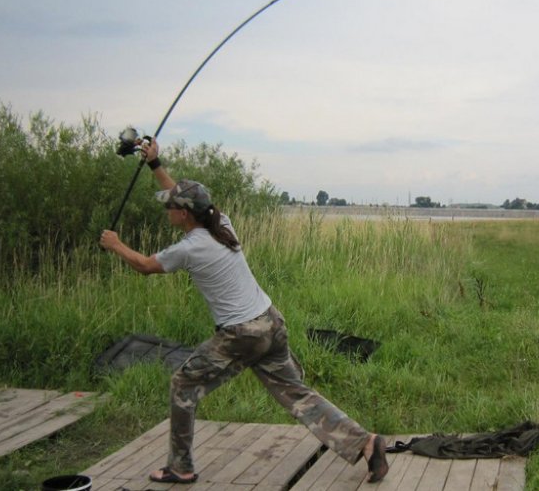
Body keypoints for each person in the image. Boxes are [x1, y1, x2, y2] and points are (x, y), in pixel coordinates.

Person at [99, 139, 388, 485]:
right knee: (296, 394)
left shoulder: (189, 248)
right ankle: (366, 443)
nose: (167, 210)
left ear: (184, 214)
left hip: (242, 334)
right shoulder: (222, 225)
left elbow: (145, 266)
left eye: (170, 207)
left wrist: (116, 245)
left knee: (183, 384)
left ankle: (180, 467)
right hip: (270, 322)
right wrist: (155, 164)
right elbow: (184, 196)